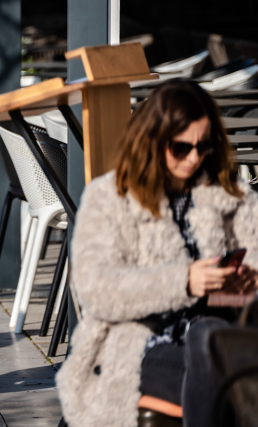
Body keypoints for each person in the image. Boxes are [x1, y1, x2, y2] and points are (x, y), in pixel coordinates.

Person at [57, 80, 258, 427]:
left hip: (229, 335)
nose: (194, 158)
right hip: (139, 345)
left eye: (204, 145)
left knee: (213, 339)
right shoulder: (110, 197)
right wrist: (183, 281)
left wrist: (246, 286)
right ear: (153, 140)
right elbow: (95, 289)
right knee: (208, 342)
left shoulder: (232, 198)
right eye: (181, 147)